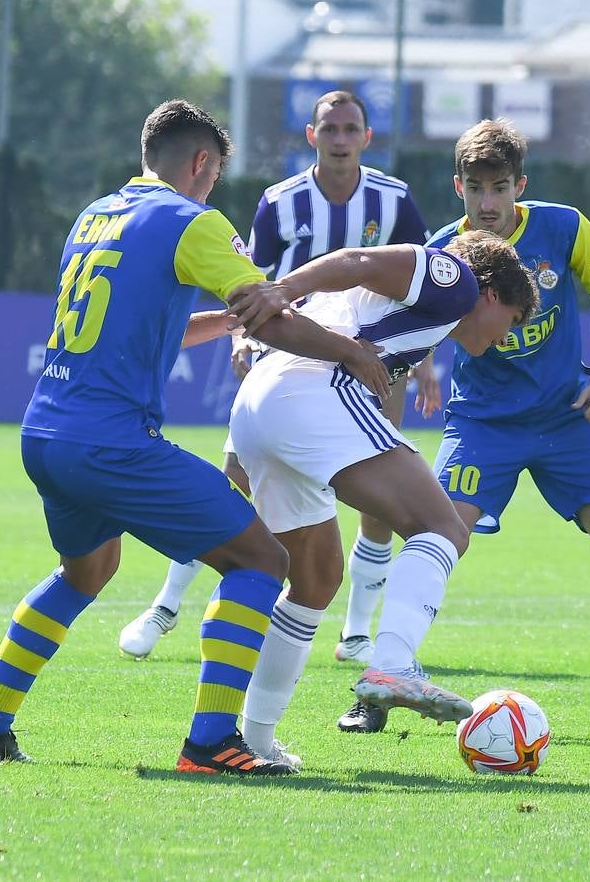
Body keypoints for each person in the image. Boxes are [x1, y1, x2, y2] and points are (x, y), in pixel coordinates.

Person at [0, 99, 390, 775]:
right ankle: (211, 743)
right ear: (201, 164)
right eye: (212, 177)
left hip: (46, 432)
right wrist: (350, 351)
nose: (211, 189)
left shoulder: (97, 214)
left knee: (86, 571)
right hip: (111, 442)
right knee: (261, 561)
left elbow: (152, 325)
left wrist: (227, 323)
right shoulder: (193, 220)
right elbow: (269, 315)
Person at [337, 118, 590, 737]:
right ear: (458, 187)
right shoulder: (446, 249)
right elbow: (412, 319)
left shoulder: (565, 227)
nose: (487, 203)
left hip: (565, 419)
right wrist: (418, 370)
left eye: (499, 188)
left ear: (519, 186)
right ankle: (379, 688)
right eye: (475, 188)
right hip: (483, 423)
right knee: (438, 536)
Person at [119, 89, 440, 671]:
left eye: (350, 129)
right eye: (329, 129)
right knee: (233, 477)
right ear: (311, 137)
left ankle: (359, 633)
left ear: (366, 139)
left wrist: (426, 364)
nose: (340, 139)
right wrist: (244, 336)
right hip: (288, 358)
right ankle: (166, 606)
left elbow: (411, 283)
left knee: (385, 502)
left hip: (371, 363)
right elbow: (252, 282)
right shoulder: (280, 201)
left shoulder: (394, 199)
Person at [221, 230, 539, 767]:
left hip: (257, 407)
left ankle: (254, 740)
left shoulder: (429, 320)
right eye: (511, 320)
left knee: (315, 580)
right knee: (443, 527)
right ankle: (393, 660)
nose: (507, 336)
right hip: (309, 395)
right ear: (492, 294)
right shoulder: (456, 280)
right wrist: (283, 289)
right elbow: (359, 259)